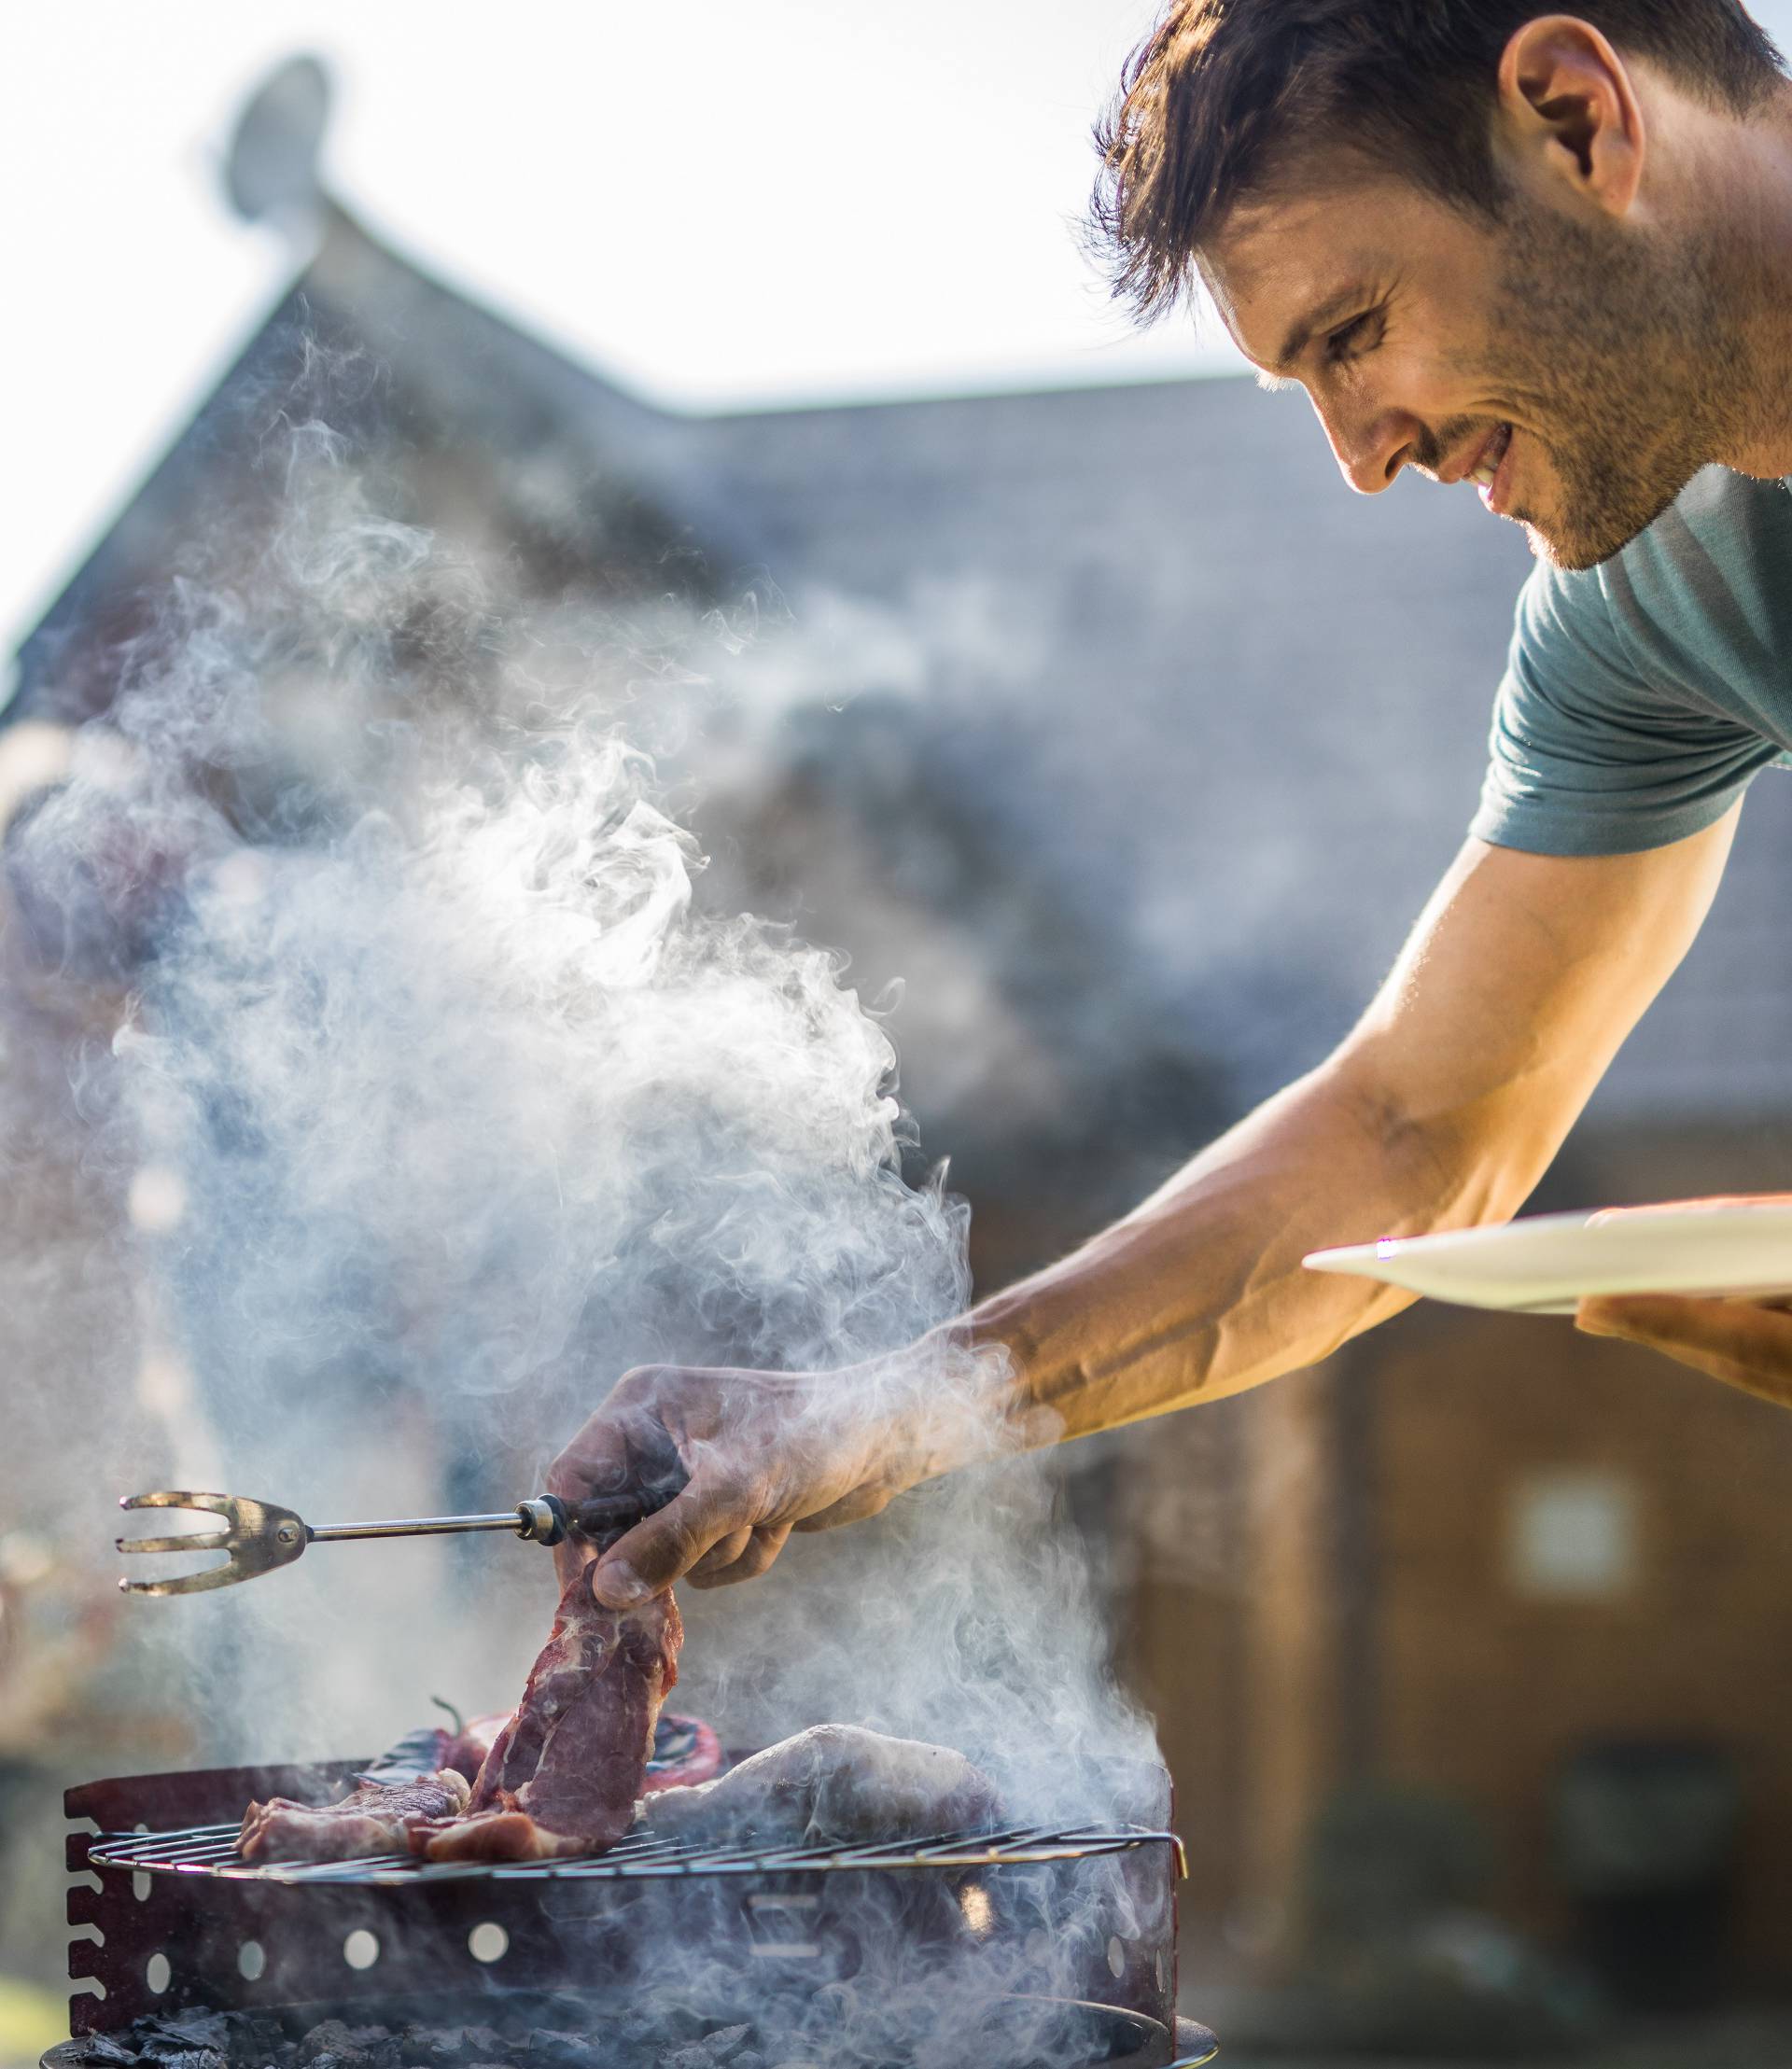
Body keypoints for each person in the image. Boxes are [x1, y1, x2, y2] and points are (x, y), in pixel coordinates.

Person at [551, 0, 1792, 1610]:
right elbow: (1415, 1129)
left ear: (1573, 121)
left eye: (1354, 331)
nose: (1362, 456)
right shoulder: (1646, 598)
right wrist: (877, 1416)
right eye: (1308, 383)